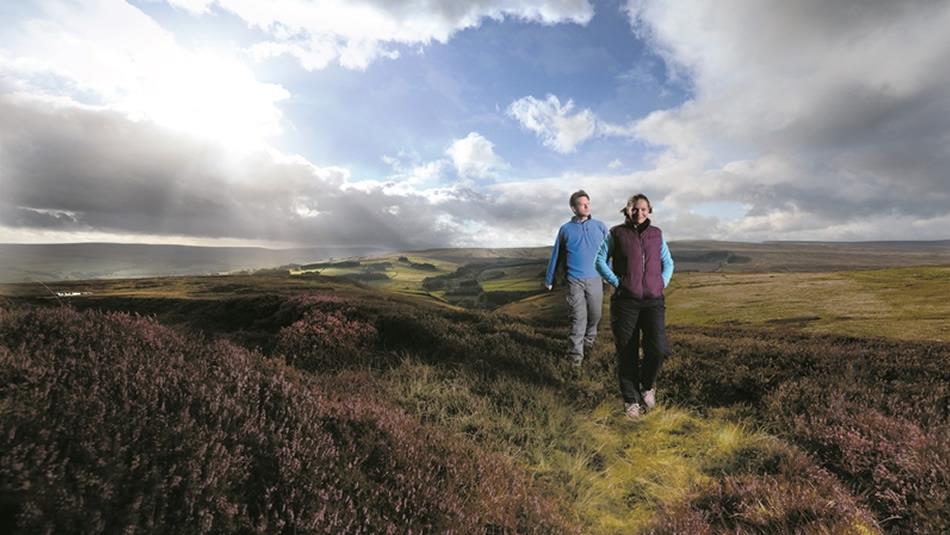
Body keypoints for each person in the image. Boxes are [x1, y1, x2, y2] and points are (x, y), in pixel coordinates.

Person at [595, 193, 674, 419]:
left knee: (658, 350)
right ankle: (631, 400)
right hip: (625, 303)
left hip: (653, 301)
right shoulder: (616, 233)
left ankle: (647, 387)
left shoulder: (656, 234)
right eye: (634, 209)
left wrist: (662, 281)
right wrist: (617, 282)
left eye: (643, 209)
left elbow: (668, 262)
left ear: (649, 211)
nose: (639, 213)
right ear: (627, 210)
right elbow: (599, 261)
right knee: (627, 352)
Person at [544, 190, 610, 367]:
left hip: (596, 278)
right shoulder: (565, 229)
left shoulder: (600, 226)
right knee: (578, 318)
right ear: (574, 208)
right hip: (574, 280)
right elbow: (556, 254)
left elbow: (609, 252)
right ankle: (575, 360)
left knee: (595, 315)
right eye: (582, 204)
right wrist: (549, 278)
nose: (587, 206)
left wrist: (608, 274)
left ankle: (588, 342)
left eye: (588, 202)